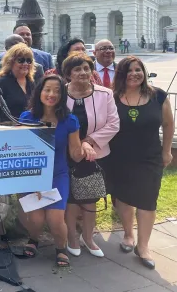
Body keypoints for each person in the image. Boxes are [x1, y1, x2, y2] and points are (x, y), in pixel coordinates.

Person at [19, 75, 96, 267]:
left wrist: (85, 147)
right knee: (35, 220)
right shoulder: (27, 118)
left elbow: (75, 154)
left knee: (55, 219)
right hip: (33, 176)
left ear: (63, 95)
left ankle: (60, 248)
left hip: (57, 175)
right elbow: (19, 150)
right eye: (47, 90)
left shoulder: (70, 121)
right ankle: (33, 240)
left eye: (57, 91)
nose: (51, 94)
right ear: (40, 92)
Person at [106, 56, 175, 269]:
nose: (134, 73)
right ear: (121, 75)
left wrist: (166, 152)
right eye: (129, 70)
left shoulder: (158, 96)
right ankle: (128, 235)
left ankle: (143, 246)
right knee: (124, 199)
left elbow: (168, 123)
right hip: (119, 157)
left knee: (147, 201)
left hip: (150, 157)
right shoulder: (112, 97)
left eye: (138, 69)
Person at [61, 53, 119, 259]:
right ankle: (72, 238)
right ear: (68, 74)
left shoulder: (104, 94)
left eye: (86, 68)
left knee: (89, 198)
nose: (83, 72)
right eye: (77, 69)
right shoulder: (60, 94)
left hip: (94, 154)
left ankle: (88, 237)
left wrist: (88, 142)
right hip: (64, 154)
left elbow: (113, 123)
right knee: (70, 199)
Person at [0, 43, 35, 123]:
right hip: (7, 131)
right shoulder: (0, 83)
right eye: (21, 60)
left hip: (30, 130)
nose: (25, 64)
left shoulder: (32, 83)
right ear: (11, 62)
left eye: (29, 61)